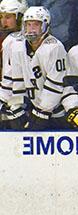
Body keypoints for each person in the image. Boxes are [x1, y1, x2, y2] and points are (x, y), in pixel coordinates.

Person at [7, 6, 67, 130]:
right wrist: (16, 107)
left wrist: (43, 111)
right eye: (28, 25)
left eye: (35, 25)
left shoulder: (55, 47)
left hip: (57, 112)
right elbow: (18, 82)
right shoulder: (18, 47)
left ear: (45, 26)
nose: (31, 29)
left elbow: (56, 84)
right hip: (34, 109)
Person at [0, 0, 28, 129]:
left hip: (18, 100)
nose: (3, 22)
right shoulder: (9, 39)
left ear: (20, 17)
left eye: (8, 17)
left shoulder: (14, 41)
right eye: (1, 16)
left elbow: (10, 77)